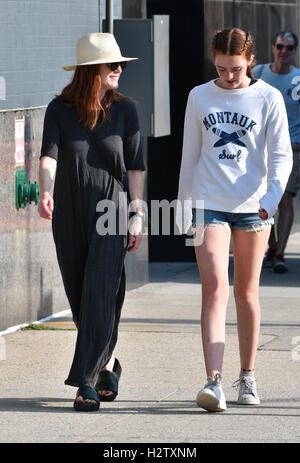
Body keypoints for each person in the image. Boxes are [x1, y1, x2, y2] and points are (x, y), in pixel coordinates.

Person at [177, 28, 293, 412]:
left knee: (246, 292)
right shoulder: (199, 96)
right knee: (214, 288)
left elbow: (281, 155)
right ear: (214, 61)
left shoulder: (268, 97)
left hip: (253, 206)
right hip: (209, 201)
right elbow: (190, 155)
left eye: (237, 69)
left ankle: (247, 375)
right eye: (223, 68)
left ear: (251, 61)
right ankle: (212, 382)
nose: (229, 76)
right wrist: (184, 207)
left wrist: (272, 199)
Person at [38, 33, 145, 411]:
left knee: (101, 289)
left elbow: (135, 166)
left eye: (121, 64)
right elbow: (49, 156)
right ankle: (107, 366)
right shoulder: (59, 109)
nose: (119, 69)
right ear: (90, 71)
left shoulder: (126, 111)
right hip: (69, 210)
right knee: (81, 296)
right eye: (112, 64)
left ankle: (84, 380)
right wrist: (45, 191)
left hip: (111, 210)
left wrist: (137, 213)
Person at [253, 31, 300, 273]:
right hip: (260, 147)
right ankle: (270, 246)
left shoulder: (298, 80)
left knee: (285, 198)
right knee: (264, 199)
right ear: (273, 48)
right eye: (280, 46)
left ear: (294, 51)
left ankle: (280, 251)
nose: (284, 51)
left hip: (291, 147)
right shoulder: (259, 74)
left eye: (289, 48)